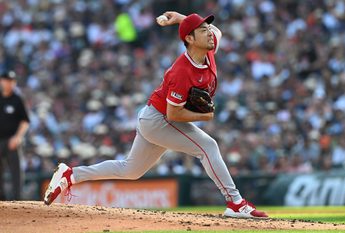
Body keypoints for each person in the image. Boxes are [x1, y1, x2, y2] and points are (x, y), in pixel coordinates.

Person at [44, 11, 268, 218]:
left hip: (152, 116)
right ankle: (235, 203)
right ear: (189, 40)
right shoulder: (181, 72)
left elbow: (217, 31)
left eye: (207, 27)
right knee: (208, 147)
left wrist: (183, 18)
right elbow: (173, 114)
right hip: (158, 120)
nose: (210, 32)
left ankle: (71, 175)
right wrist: (203, 117)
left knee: (131, 170)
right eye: (202, 30)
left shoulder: (209, 47)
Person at [0, 70, 30, 200]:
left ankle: (17, 200)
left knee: (16, 172)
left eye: (11, 81)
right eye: (6, 80)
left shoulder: (17, 99)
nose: (8, 83)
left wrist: (17, 137)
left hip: (12, 141)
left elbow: (25, 121)